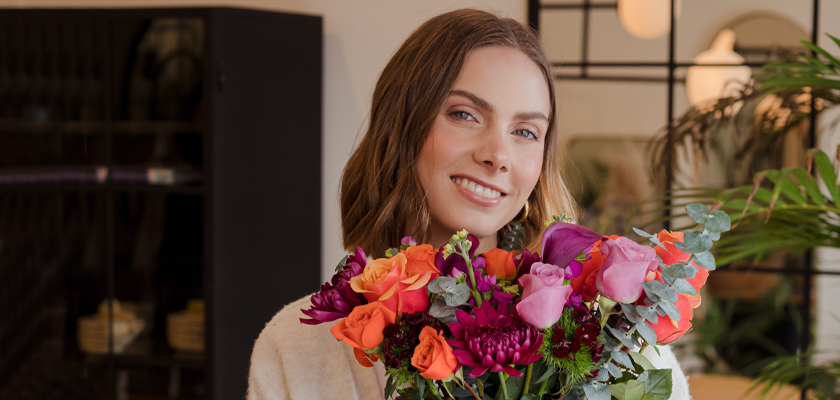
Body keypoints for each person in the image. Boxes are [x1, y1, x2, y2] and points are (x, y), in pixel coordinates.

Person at [247, 9, 690, 399]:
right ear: (402, 126)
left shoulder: (624, 351)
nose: (497, 155)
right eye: (464, 114)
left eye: (525, 132)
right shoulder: (295, 348)